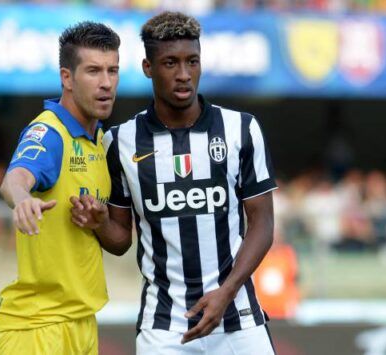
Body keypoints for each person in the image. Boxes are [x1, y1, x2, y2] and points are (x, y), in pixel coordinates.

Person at [71, 11, 277, 355]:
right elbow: (121, 239)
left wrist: (225, 293)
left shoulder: (241, 129)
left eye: (192, 61)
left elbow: (263, 223)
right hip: (164, 327)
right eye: (170, 63)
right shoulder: (120, 142)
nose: (183, 75)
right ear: (148, 67)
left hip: (238, 317)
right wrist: (101, 224)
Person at [0, 22, 120, 355]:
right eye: (93, 71)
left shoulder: (99, 143)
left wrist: (100, 222)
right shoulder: (50, 132)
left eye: (112, 70)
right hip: (36, 327)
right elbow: (16, 178)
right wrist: (22, 200)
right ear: (67, 78)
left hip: (81, 321)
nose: (106, 83)